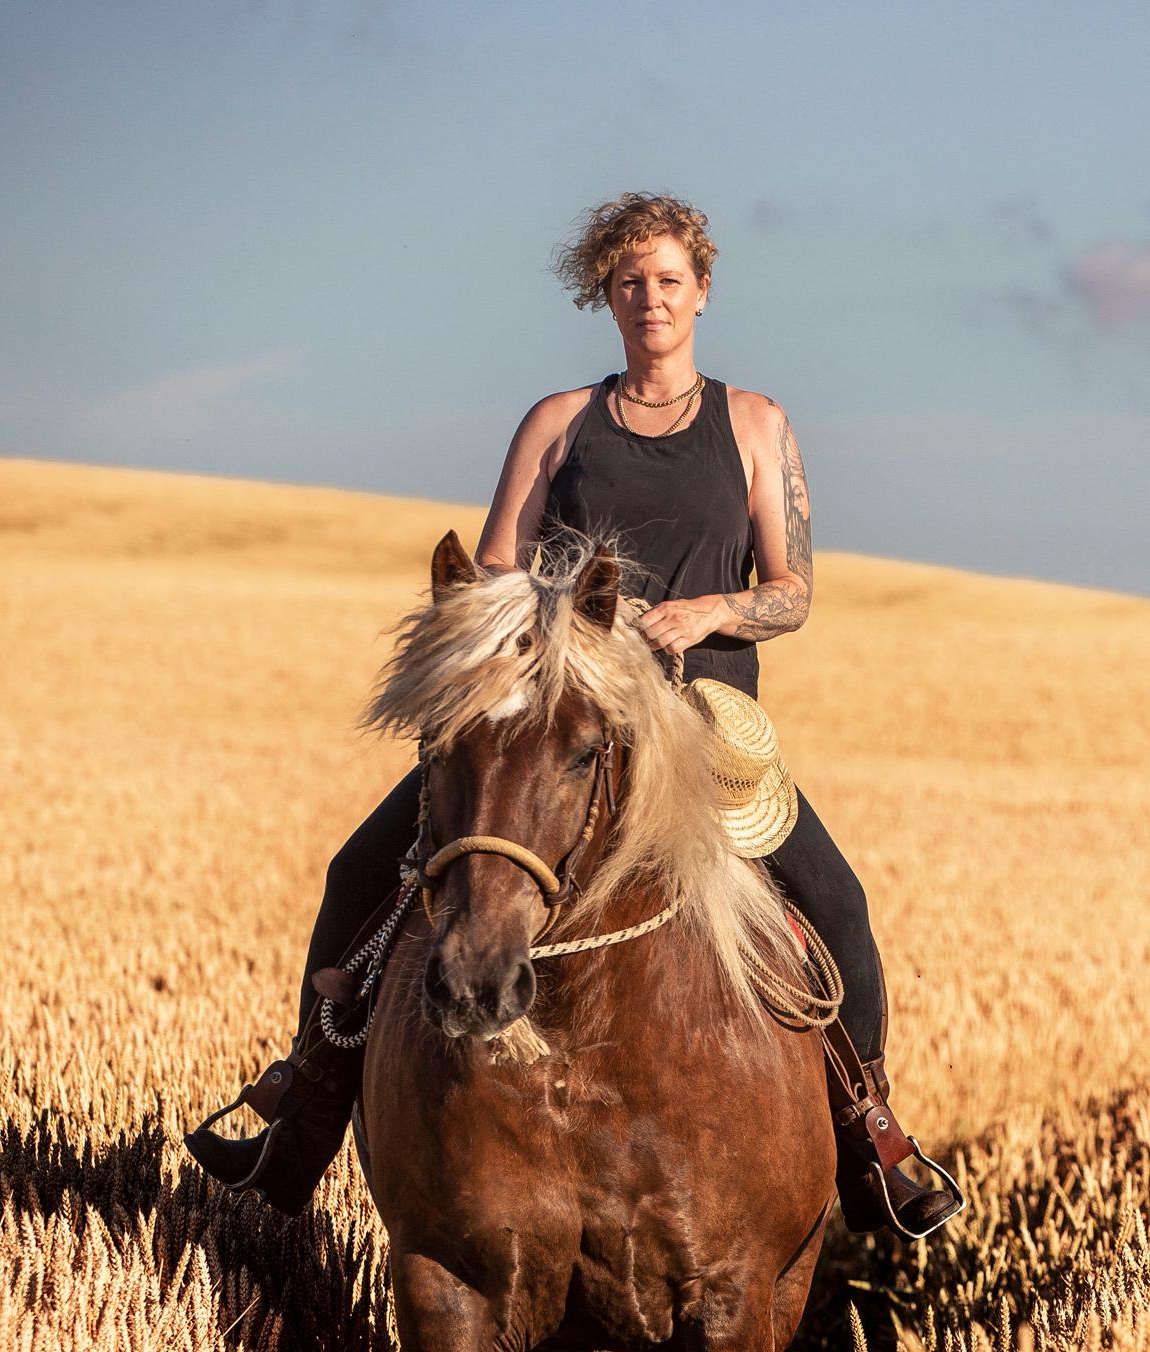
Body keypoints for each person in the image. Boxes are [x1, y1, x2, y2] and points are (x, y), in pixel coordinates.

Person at [185, 191, 961, 1240]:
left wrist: (706, 610)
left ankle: (870, 1133)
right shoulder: (557, 422)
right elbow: (497, 568)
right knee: (358, 875)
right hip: (553, 718)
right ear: (604, 292)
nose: (651, 298)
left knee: (835, 903)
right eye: (630, 281)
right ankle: (306, 1111)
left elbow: (792, 589)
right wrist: (573, 622)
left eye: (670, 280)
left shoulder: (753, 424)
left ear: (701, 291)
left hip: (704, 733)